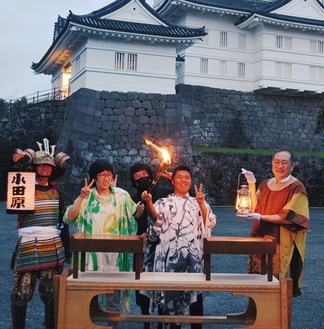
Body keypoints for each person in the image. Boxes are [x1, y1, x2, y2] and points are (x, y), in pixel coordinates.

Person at [141, 165, 217, 329]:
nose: (184, 180)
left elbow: (208, 223)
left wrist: (202, 204)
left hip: (193, 257)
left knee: (195, 298)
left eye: (187, 177)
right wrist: (148, 203)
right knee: (170, 296)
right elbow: (157, 222)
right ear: (173, 180)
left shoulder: (198, 202)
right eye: (180, 177)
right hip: (169, 258)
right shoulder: (163, 202)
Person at [63, 158, 139, 318]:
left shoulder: (121, 196)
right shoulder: (87, 197)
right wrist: (81, 197)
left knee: (113, 297)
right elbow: (70, 217)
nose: (106, 178)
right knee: (89, 296)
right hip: (90, 255)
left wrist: (140, 208)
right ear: (94, 178)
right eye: (102, 175)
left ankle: (113, 325)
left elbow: (133, 217)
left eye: (109, 175)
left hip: (115, 255)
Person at [9, 139, 70, 329]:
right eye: (41, 165)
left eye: (48, 166)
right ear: (35, 167)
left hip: (52, 247)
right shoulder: (23, 187)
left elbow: (64, 221)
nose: (44, 169)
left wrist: (67, 246)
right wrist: (23, 156)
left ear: (53, 169)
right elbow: (15, 172)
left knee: (52, 294)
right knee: (21, 293)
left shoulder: (58, 192)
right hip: (28, 246)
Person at [242, 149, 309, 297]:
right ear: (272, 163)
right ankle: (257, 315)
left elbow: (288, 217)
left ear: (292, 166)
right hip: (260, 238)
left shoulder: (296, 187)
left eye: (284, 162)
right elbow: (254, 207)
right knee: (258, 278)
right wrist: (252, 183)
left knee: (278, 282)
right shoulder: (266, 184)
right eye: (276, 162)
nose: (280, 166)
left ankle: (278, 319)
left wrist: (261, 217)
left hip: (282, 242)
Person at [129, 163, 173, 329]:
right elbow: (130, 220)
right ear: (133, 180)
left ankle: (162, 321)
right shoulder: (133, 197)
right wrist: (138, 212)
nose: (142, 178)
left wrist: (172, 181)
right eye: (137, 176)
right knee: (142, 284)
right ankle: (146, 320)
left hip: (162, 245)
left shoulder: (162, 192)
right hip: (141, 246)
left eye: (144, 174)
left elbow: (185, 197)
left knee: (162, 283)